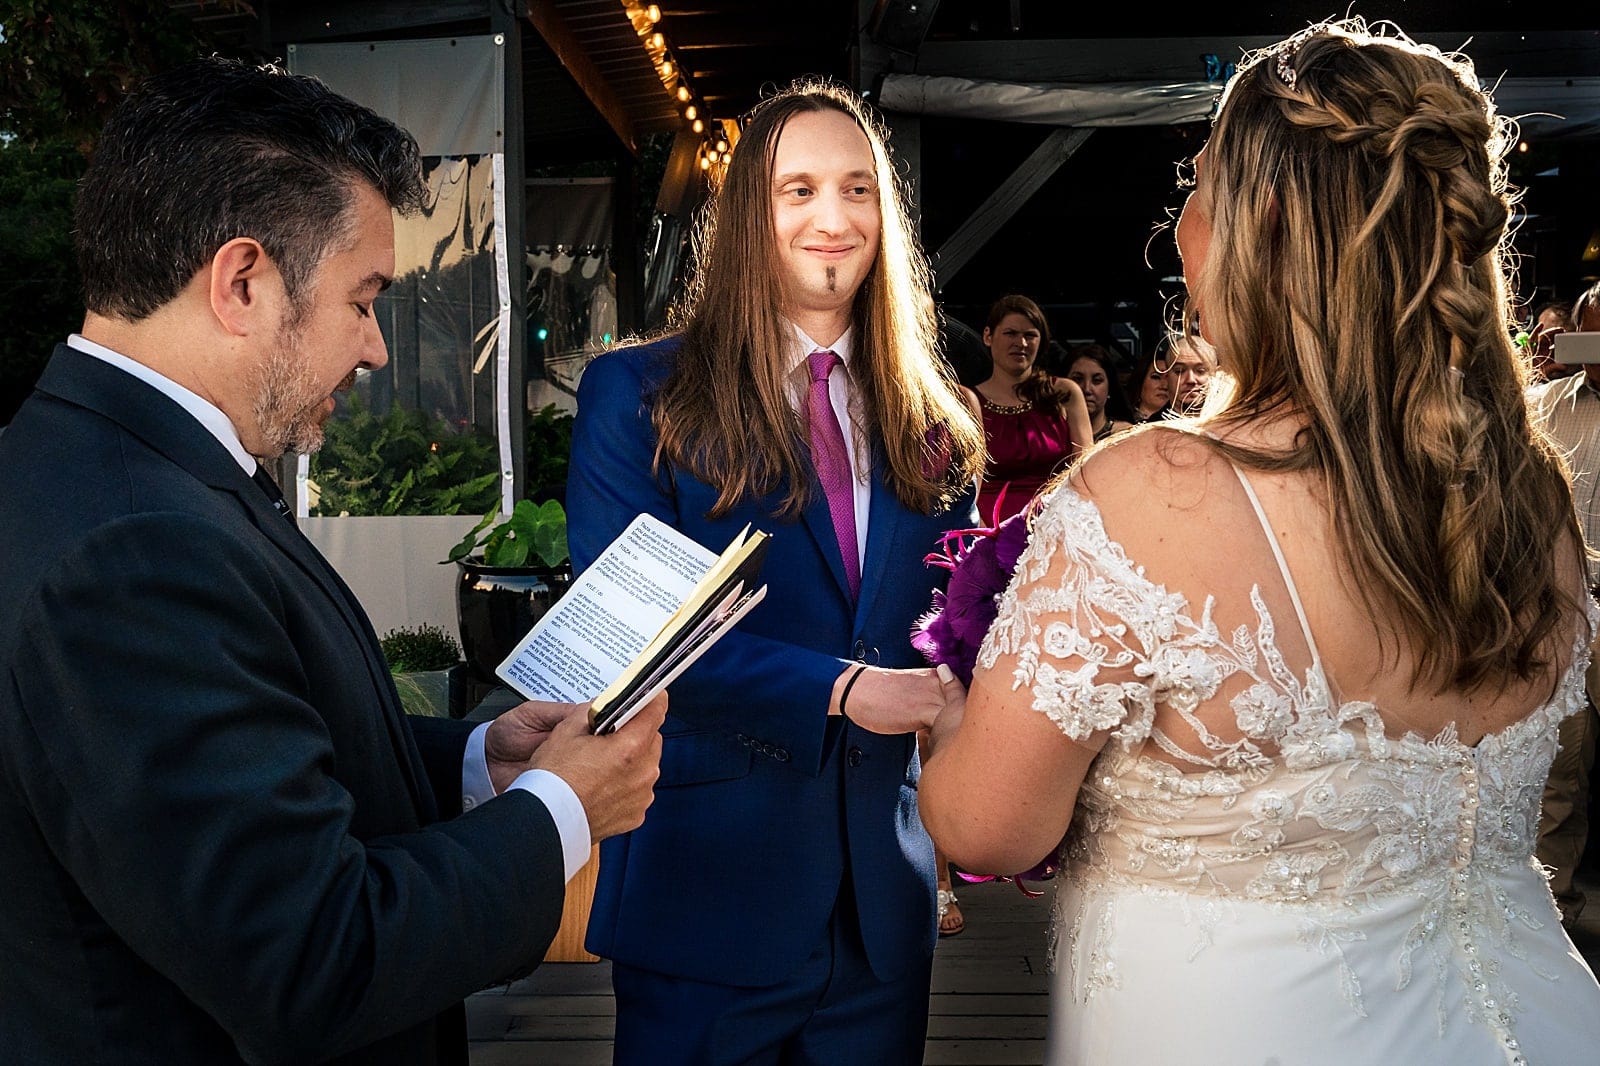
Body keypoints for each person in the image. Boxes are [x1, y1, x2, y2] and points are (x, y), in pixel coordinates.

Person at [921, 20, 1600, 1064]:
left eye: (1196, 187)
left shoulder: (1152, 493)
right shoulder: (1531, 496)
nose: (1178, 228)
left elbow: (984, 828)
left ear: (1265, 220)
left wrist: (957, 705)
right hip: (1542, 1016)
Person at [0, 58, 667, 1066]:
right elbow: (312, 957)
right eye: (363, 300)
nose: (376, 350)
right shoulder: (133, 550)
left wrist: (480, 764)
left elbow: (259, 744)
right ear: (241, 282)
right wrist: (561, 809)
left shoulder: (108, 467)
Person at [566, 80, 981, 1064]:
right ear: (750, 213)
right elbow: (636, 644)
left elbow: (957, 640)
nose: (831, 219)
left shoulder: (940, 420)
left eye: (856, 189)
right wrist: (842, 689)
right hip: (704, 901)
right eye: (797, 190)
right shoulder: (635, 396)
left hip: (882, 917)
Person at [1529, 280, 1600, 931]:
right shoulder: (1545, 407)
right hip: (1565, 614)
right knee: (1559, 772)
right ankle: (1556, 917)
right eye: (1589, 333)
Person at [964, 294, 1093, 522]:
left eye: (1030, 335)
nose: (1021, 343)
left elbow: (1086, 472)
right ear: (988, 336)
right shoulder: (969, 400)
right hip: (989, 531)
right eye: (1010, 333)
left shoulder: (1064, 393)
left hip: (1056, 525)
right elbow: (967, 486)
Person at [1066, 343, 1136, 442]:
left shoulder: (1123, 435)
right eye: (1077, 379)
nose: (1086, 389)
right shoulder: (1052, 438)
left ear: (1110, 387)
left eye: (1097, 380)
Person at [1162, 333, 1216, 415]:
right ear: (1166, 378)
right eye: (1179, 371)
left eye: (1200, 371)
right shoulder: (1151, 426)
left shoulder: (1234, 425)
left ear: (1215, 376)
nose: (1190, 380)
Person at [1124, 344, 1172, 422]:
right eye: (1156, 377)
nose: (1165, 386)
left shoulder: (1183, 424)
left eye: (1169, 379)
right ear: (1140, 381)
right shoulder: (1120, 424)